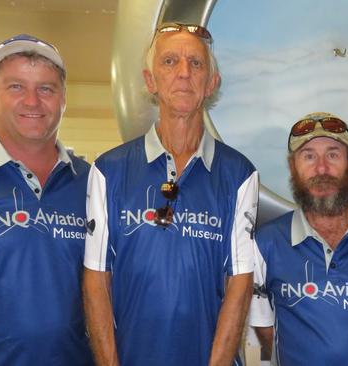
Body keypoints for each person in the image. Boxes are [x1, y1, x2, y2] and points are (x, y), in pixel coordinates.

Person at [82, 23, 258, 365]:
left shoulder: (239, 174)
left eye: (196, 63)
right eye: (170, 62)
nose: (183, 73)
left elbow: (240, 284)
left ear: (211, 84)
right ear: (151, 81)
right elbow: (96, 279)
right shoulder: (109, 170)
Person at [0, 34, 93, 365]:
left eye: (46, 89)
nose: (32, 102)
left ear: (64, 98)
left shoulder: (93, 181)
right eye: (15, 87)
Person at [249, 112, 348, 365]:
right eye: (309, 156)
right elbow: (268, 334)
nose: (321, 168)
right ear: (293, 166)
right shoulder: (265, 243)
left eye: (333, 154)